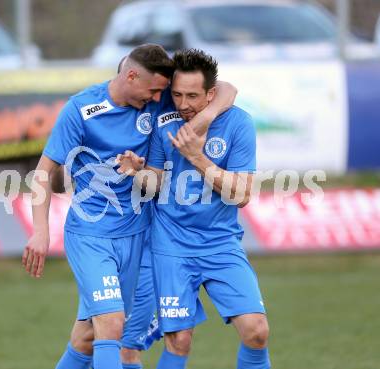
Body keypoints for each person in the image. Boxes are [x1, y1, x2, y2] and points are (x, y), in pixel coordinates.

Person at [22, 43, 237, 369]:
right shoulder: (81, 109)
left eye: (160, 93)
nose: (156, 100)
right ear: (131, 76)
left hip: (138, 237)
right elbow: (43, 173)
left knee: (87, 337)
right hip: (92, 236)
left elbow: (226, 89)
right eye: (152, 91)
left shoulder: (155, 95)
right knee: (112, 326)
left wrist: (202, 119)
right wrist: (40, 231)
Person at [117, 49, 271, 369]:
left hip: (220, 243)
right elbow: (159, 182)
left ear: (211, 94)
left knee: (257, 332)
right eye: (176, 95)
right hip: (170, 245)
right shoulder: (164, 120)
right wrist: (137, 172)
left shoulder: (238, 123)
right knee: (179, 339)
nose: (183, 104)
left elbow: (242, 195)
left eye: (192, 96)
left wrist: (198, 157)